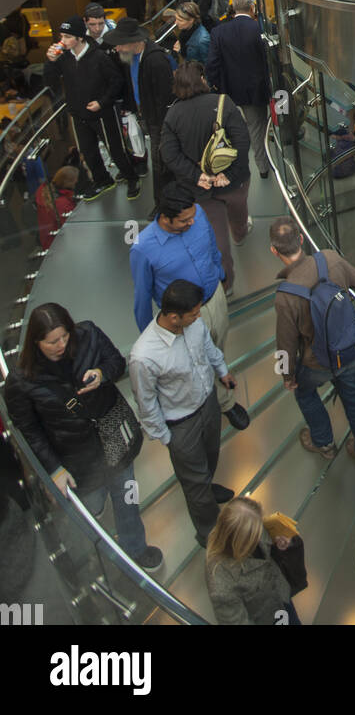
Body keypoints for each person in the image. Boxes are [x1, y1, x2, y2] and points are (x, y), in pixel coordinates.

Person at [4, 303, 162, 571]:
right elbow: (29, 430)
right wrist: (53, 469)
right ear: (36, 342)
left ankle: (135, 548)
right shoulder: (22, 382)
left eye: (65, 336)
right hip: (75, 456)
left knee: (128, 496)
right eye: (52, 341)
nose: (61, 345)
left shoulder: (88, 334)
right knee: (91, 504)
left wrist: (102, 374)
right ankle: (96, 537)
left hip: (114, 438)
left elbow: (116, 361)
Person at [129, 183, 249, 430]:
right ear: (165, 218)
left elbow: (212, 248)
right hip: (187, 318)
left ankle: (221, 385)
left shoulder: (197, 213)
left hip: (215, 297)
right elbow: (142, 297)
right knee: (198, 360)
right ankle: (223, 403)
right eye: (184, 221)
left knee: (218, 347)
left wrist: (220, 272)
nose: (191, 222)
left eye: (193, 216)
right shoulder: (143, 248)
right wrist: (152, 337)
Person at [129, 279, 237, 548]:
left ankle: (207, 491)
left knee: (211, 456)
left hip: (208, 404)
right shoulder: (144, 356)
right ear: (174, 317)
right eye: (194, 313)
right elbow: (146, 402)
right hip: (180, 424)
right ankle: (211, 534)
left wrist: (222, 371)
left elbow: (209, 349)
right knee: (195, 481)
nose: (199, 316)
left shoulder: (193, 324)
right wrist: (167, 438)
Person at [270, 215, 355, 466]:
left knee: (305, 394)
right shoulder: (330, 258)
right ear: (300, 239)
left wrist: (288, 376)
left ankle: (324, 443)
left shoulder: (286, 295)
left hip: (317, 362)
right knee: (353, 395)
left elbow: (285, 343)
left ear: (274, 251)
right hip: (350, 349)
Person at [160, 61, 251, 292]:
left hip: (200, 190)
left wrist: (197, 176)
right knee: (239, 212)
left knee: (217, 239)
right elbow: (242, 141)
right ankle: (240, 233)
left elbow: (169, 154)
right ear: (202, 80)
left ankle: (227, 284)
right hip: (234, 182)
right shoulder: (223, 103)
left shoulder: (173, 115)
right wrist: (228, 174)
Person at [45, 17, 140, 201]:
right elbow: (50, 83)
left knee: (116, 150)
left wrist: (102, 102)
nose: (62, 41)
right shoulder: (64, 58)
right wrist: (50, 61)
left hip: (103, 113)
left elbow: (116, 82)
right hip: (78, 113)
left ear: (80, 37)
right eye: (62, 36)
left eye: (67, 36)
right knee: (88, 152)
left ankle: (132, 177)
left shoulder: (99, 57)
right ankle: (103, 180)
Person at [104, 17, 175, 204]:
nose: (117, 48)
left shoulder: (156, 61)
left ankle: (163, 204)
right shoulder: (133, 58)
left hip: (158, 121)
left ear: (134, 42)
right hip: (147, 116)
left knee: (160, 163)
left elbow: (164, 97)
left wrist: (160, 125)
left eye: (120, 44)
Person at [205, 0, 272, 181]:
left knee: (243, 129)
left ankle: (248, 166)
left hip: (232, 91)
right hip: (258, 90)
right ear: (253, 7)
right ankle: (264, 166)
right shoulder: (261, 29)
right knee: (258, 127)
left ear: (233, 8)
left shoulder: (218, 32)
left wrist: (219, 87)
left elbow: (212, 65)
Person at [206, 496, 301, 626]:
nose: (261, 534)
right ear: (239, 541)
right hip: (267, 619)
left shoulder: (251, 524)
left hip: (281, 597)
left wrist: (281, 545)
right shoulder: (221, 583)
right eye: (255, 534)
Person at [35, 165, 79, 251]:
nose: (77, 182)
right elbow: (73, 227)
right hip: (58, 245)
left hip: (47, 240)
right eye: (75, 181)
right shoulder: (62, 204)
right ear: (69, 183)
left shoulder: (43, 190)